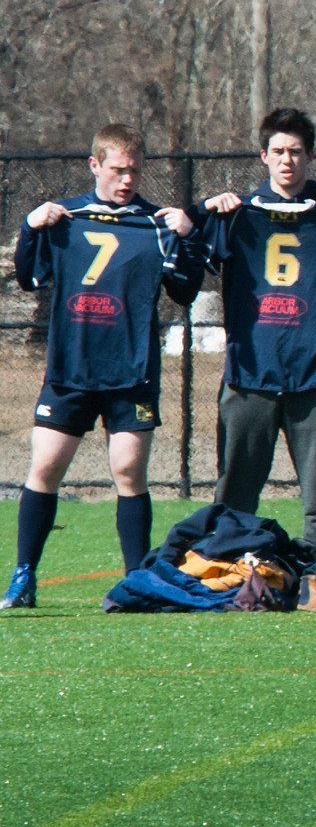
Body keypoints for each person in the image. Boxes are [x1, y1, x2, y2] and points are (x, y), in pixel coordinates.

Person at [1, 123, 203, 610]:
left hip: (131, 370)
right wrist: (30, 227)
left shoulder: (158, 224)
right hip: (71, 366)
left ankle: (136, 580)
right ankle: (24, 575)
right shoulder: (65, 218)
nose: (127, 179)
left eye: (134, 170)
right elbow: (29, 279)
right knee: (45, 466)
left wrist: (189, 238)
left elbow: (186, 291)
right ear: (95, 166)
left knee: (129, 470)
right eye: (117, 169)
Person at [194, 108, 316, 546]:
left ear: (310, 156)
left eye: (296, 151)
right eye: (278, 150)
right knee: (235, 493)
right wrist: (202, 209)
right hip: (249, 376)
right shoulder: (236, 214)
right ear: (263, 156)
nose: (287, 160)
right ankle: (230, 569)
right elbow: (178, 238)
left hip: (315, 374)